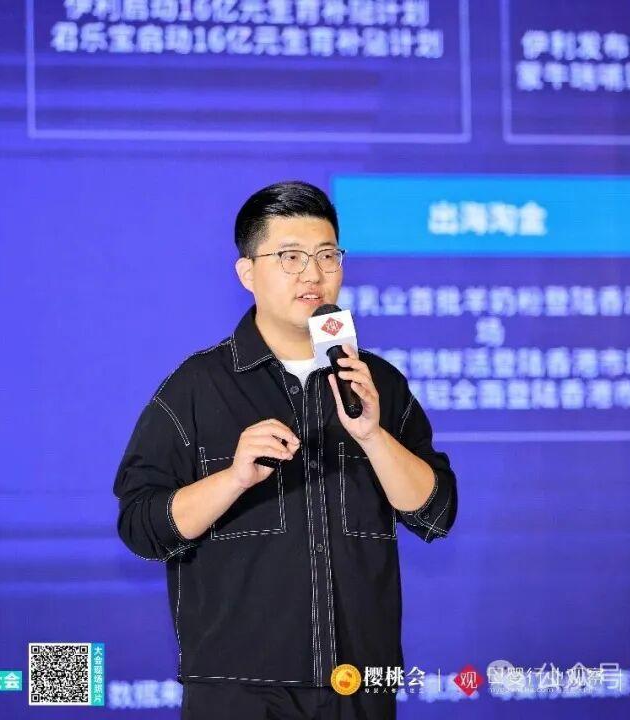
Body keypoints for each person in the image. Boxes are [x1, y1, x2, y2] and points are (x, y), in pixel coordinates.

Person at [113, 180, 458, 719]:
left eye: (327, 256)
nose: (313, 275)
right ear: (247, 273)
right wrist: (232, 479)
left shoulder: (377, 383)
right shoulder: (197, 387)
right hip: (238, 688)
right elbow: (141, 527)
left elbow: (435, 513)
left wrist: (372, 435)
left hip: (357, 684)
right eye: (290, 257)